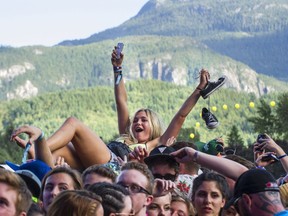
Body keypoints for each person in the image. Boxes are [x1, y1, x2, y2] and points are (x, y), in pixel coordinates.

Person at [11, 46, 211, 171]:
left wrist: (199, 90)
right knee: (61, 150)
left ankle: (38, 144)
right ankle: (36, 158)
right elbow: (121, 102)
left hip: (114, 168)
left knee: (73, 123)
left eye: (143, 120)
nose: (137, 122)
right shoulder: (126, 134)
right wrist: (117, 68)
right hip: (96, 161)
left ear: (155, 126)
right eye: (135, 119)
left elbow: (181, 116)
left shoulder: (158, 143)